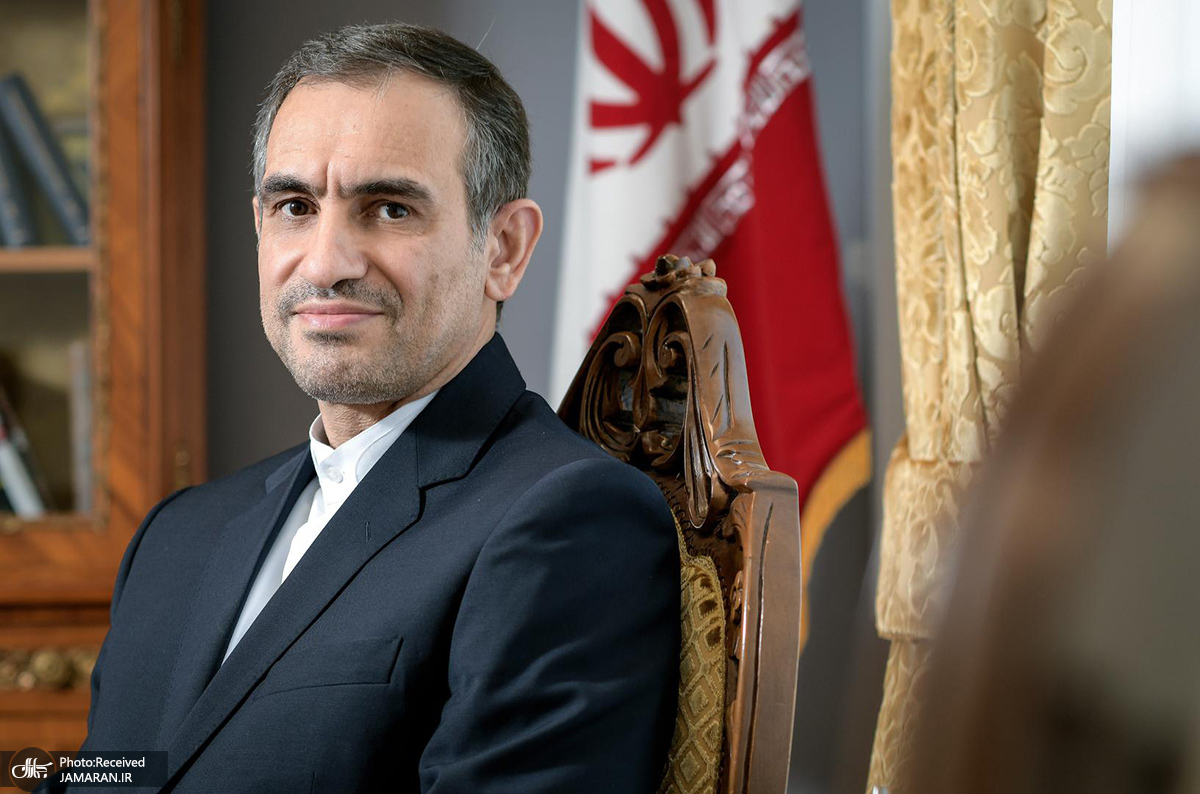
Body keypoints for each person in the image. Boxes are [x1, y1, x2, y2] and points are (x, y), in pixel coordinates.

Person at [74, 22, 680, 793]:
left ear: (503, 249)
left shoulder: (570, 524)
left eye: (390, 208)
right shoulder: (176, 534)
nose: (326, 262)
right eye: (295, 206)